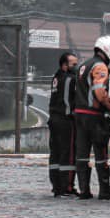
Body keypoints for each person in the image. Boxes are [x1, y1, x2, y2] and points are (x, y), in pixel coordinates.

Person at [72, 36, 110, 199]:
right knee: (101, 153)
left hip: (79, 114)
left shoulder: (84, 65)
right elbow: (100, 93)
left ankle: (84, 190)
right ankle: (104, 190)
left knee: (82, 154)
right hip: (94, 116)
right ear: (107, 50)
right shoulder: (100, 66)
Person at [48, 51, 79, 196]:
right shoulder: (68, 79)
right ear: (65, 65)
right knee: (67, 154)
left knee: (55, 153)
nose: (76, 67)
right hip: (65, 120)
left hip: (53, 119)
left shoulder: (56, 76)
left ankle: (56, 185)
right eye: (74, 64)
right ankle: (67, 187)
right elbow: (68, 101)